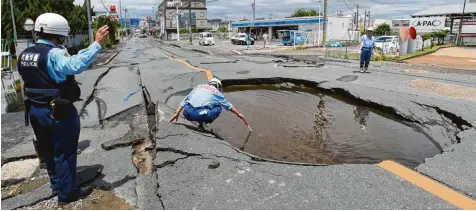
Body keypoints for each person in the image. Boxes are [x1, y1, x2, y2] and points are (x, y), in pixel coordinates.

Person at [17, 13, 109, 205]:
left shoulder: (25, 54)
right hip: (57, 111)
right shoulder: (54, 54)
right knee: (65, 152)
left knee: (48, 151)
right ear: (59, 34)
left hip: (34, 110)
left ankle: (57, 186)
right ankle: (67, 194)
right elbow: (75, 65)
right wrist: (97, 44)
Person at [169, 78, 246, 130]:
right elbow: (228, 106)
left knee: (200, 105)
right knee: (219, 107)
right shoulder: (217, 92)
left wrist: (177, 112)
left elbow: (186, 99)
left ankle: (200, 121)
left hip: (186, 113)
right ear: (219, 86)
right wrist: (238, 114)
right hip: (198, 114)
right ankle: (204, 123)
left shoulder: (199, 86)